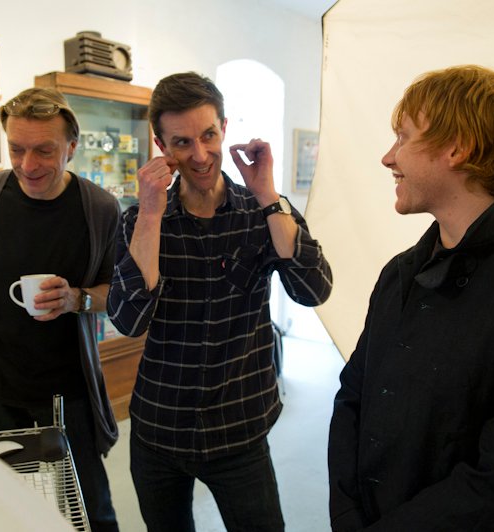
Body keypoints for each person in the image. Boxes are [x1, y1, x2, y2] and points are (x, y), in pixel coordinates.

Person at [328, 65, 494, 531]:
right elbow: (353, 397)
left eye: (403, 137)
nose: (388, 157)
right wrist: (345, 515)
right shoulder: (400, 273)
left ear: (457, 147)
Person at [107, 71, 333, 531]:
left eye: (208, 135)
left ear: (225, 128)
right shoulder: (141, 220)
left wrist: (267, 193)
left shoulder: (263, 210)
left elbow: (313, 289)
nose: (199, 154)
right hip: (160, 427)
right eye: (182, 142)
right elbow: (129, 320)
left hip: (240, 428)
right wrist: (150, 213)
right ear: (161, 146)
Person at [0, 87, 120, 532]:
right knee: (1, 513)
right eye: (16, 149)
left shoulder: (99, 209)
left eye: (44, 151)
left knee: (93, 514)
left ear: (71, 147)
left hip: (71, 396)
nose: (28, 164)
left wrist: (77, 298)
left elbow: (118, 293)